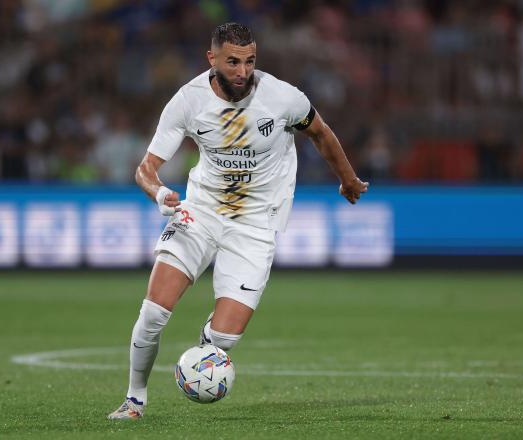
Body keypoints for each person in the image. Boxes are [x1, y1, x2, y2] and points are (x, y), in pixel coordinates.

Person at [108, 23, 368, 420]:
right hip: (201, 211)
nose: (243, 71)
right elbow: (146, 168)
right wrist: (160, 193)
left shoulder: (282, 97)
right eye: (233, 61)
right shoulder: (187, 101)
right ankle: (134, 400)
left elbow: (320, 132)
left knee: (224, 339)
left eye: (249, 61)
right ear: (211, 59)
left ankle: (203, 351)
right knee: (153, 312)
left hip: (255, 224)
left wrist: (347, 178)